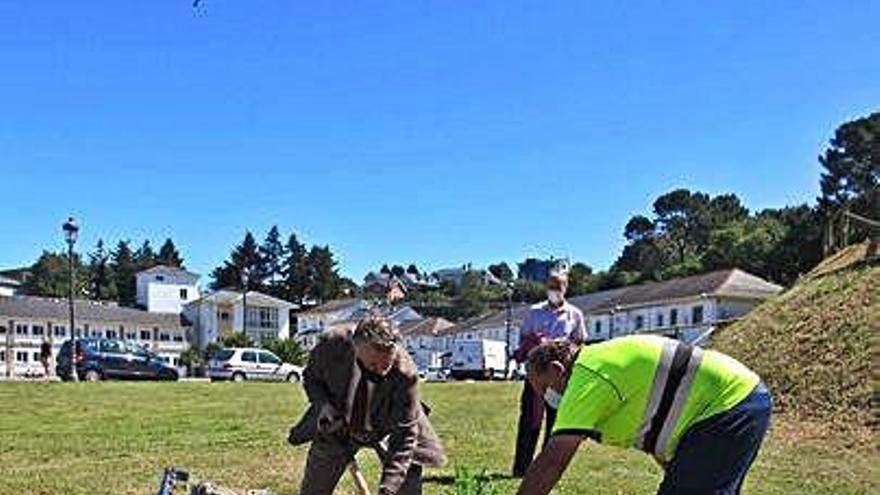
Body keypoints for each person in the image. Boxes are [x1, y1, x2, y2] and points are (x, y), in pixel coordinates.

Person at [516, 336, 772, 495]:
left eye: (542, 388)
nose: (544, 398)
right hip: (736, 403)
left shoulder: (586, 378)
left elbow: (552, 461)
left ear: (557, 369)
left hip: (730, 403)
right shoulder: (597, 365)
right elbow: (657, 434)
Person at [289, 316, 446, 495]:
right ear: (355, 348)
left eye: (385, 367)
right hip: (339, 424)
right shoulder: (332, 345)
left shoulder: (406, 375)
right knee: (314, 489)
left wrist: (387, 490)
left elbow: (404, 438)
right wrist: (323, 404)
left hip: (388, 425)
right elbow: (312, 378)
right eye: (372, 365)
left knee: (406, 484)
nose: (379, 371)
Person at [511, 270, 586, 477]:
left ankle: (545, 467)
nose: (554, 291)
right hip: (536, 375)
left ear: (565, 288)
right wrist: (534, 342)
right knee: (529, 421)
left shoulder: (575, 315)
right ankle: (521, 468)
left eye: (558, 287)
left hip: (560, 377)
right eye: (551, 286)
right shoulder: (534, 312)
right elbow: (523, 340)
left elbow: (580, 342)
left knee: (556, 425)